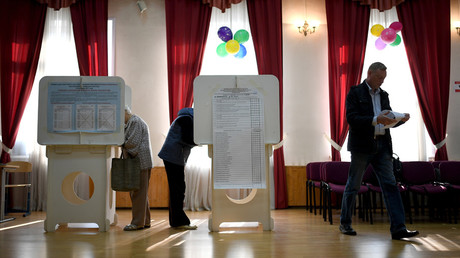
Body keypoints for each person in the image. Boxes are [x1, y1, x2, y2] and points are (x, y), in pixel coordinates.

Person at [339, 62, 419, 240]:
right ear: (369, 73)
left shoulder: (384, 95)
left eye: (384, 79)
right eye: (379, 77)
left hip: (382, 146)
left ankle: (399, 228)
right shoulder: (355, 92)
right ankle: (345, 223)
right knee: (353, 185)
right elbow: (352, 118)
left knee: (390, 185)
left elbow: (387, 120)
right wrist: (376, 119)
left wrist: (399, 120)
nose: (381, 82)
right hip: (362, 147)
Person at [158, 107, 198, 230]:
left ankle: (176, 221)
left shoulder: (183, 118)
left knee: (177, 189)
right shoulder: (186, 119)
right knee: (178, 190)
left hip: (172, 157)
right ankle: (180, 222)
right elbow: (188, 138)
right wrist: (199, 141)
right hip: (173, 158)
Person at [122, 106, 154, 231]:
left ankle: (137, 223)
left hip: (140, 162)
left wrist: (119, 141)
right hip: (142, 162)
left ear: (125, 113)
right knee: (141, 193)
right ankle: (145, 221)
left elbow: (132, 143)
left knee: (137, 193)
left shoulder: (134, 121)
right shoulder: (134, 121)